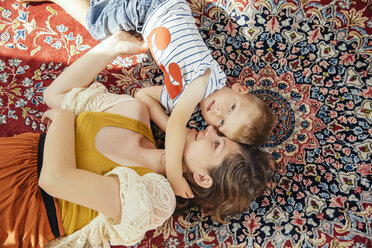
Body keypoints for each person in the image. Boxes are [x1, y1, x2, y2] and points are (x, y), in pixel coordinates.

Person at [0, 31, 276, 247]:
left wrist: (63, 119)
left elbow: (54, 180)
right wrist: (114, 46)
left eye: (217, 142)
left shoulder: (157, 198)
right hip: (10, 155)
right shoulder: (134, 112)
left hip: (20, 213)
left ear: (203, 178)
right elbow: (55, 96)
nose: (210, 129)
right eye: (220, 131)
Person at [18, 0, 277, 199]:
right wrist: (175, 174)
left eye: (220, 126)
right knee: (97, 23)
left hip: (146, 19)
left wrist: (175, 126)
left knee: (106, 16)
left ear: (202, 177)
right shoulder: (207, 82)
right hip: (157, 7)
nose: (211, 124)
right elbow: (176, 124)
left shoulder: (180, 102)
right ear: (240, 89)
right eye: (231, 108)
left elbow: (143, 95)